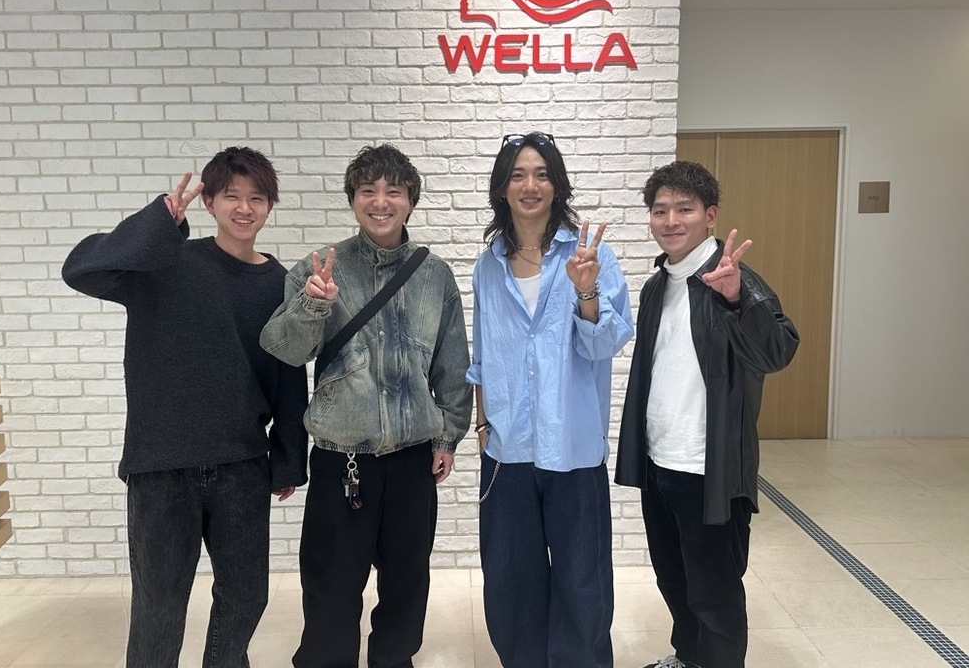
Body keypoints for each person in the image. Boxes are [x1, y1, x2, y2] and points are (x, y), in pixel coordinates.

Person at [62, 146, 308, 668]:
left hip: (241, 465)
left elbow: (289, 372)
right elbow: (80, 268)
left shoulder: (279, 283)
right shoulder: (166, 261)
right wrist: (157, 223)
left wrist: (288, 457)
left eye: (257, 198)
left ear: (270, 206)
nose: (244, 208)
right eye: (231, 196)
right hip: (161, 467)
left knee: (246, 596)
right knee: (159, 607)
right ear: (210, 203)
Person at [259, 143, 473, 668]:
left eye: (393, 191)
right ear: (353, 199)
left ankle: (393, 661)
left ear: (410, 201)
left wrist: (447, 437)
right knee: (331, 585)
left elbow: (452, 365)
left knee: (406, 583)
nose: (380, 202)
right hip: (342, 459)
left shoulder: (434, 275)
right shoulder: (318, 268)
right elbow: (284, 349)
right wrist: (313, 305)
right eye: (368, 191)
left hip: (412, 460)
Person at [615, 160, 800, 668]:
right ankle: (689, 658)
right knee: (674, 580)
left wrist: (738, 299)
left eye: (685, 209)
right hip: (660, 464)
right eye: (660, 210)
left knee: (715, 595)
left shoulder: (732, 279)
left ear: (711, 215)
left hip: (709, 469)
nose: (671, 220)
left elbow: (779, 351)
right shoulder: (659, 285)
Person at [468, 132, 634, 668]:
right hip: (507, 447)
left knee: (582, 578)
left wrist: (586, 290)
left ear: (557, 185)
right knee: (510, 577)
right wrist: (482, 425)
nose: (530, 185)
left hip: (573, 444)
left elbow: (606, 343)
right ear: (502, 187)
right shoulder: (488, 264)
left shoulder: (591, 255)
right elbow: (483, 354)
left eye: (541, 174)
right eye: (518, 175)